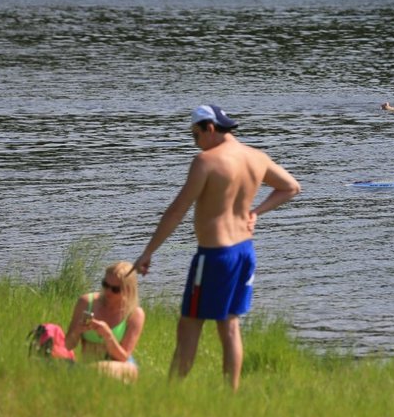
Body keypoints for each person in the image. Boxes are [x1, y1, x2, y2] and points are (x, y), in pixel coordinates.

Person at [132, 105, 301, 391]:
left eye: (194, 135)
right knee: (230, 326)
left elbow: (177, 211)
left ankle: (170, 394)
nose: (195, 142)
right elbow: (291, 187)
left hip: (214, 256)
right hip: (244, 252)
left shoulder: (206, 161)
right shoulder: (256, 157)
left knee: (189, 325)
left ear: (209, 128)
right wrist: (256, 212)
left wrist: (148, 252)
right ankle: (229, 395)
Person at [64, 261, 145, 383]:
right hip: (89, 365)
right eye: (105, 285)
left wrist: (108, 335)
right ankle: (80, 372)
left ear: (128, 290)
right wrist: (77, 331)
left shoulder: (135, 314)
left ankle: (79, 372)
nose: (108, 291)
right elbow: (67, 346)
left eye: (115, 289)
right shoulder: (86, 302)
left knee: (96, 370)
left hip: (120, 366)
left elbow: (123, 357)